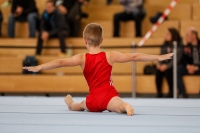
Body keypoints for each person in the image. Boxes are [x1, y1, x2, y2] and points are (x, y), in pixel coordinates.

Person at [23, 23, 173, 116]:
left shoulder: (82, 58)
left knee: (79, 105)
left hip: (93, 99)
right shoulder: (110, 55)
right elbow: (134, 57)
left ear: (84, 41)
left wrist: (40, 66)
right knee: (118, 105)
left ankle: (70, 104)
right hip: (109, 96)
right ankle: (125, 107)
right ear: (102, 40)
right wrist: (158, 57)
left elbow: (61, 62)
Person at [156, 28, 183, 98]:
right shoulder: (164, 44)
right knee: (158, 72)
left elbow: (177, 59)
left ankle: (171, 92)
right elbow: (161, 55)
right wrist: (159, 64)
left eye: (168, 34)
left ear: (173, 35)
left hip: (173, 65)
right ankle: (159, 92)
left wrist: (167, 66)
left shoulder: (179, 44)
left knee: (168, 72)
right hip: (164, 64)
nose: (166, 35)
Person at [178, 27, 200, 98]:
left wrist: (196, 68)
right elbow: (183, 60)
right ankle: (182, 92)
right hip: (190, 68)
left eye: (187, 35)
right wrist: (187, 66)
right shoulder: (187, 47)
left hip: (198, 68)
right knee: (178, 70)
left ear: (194, 36)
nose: (185, 37)